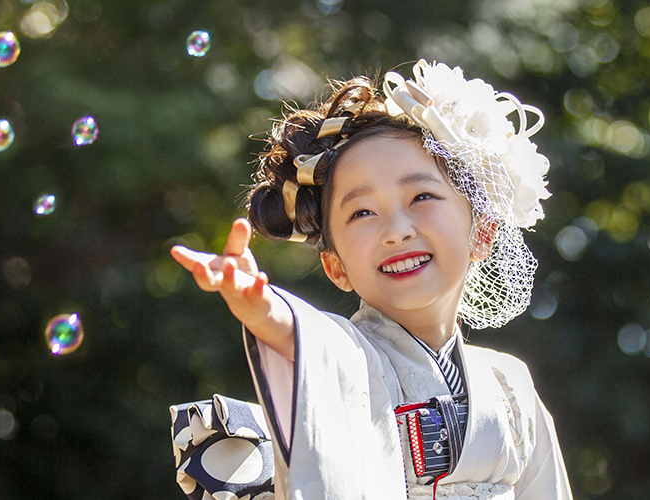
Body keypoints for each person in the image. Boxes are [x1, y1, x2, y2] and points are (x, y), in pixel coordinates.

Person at [170, 60, 573, 500]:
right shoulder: (349, 356)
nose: (396, 230)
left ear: (483, 231)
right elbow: (308, 340)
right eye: (362, 212)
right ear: (336, 267)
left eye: (421, 196)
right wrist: (258, 302)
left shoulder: (509, 382)